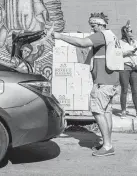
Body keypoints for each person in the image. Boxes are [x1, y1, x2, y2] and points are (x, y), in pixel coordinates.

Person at [51, 12, 120, 157]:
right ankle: (108, 143)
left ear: (101, 25)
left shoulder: (101, 35)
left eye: (94, 26)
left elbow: (82, 43)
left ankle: (107, 146)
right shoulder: (111, 35)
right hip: (111, 81)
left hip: (103, 82)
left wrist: (59, 36)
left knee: (97, 111)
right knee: (106, 112)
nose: (92, 29)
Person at [119, 21, 137, 119]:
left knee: (135, 90)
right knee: (124, 89)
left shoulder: (134, 42)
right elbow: (118, 54)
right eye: (129, 31)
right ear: (124, 32)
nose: (131, 33)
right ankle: (123, 111)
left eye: (131, 31)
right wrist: (128, 52)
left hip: (134, 68)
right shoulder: (119, 42)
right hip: (124, 67)